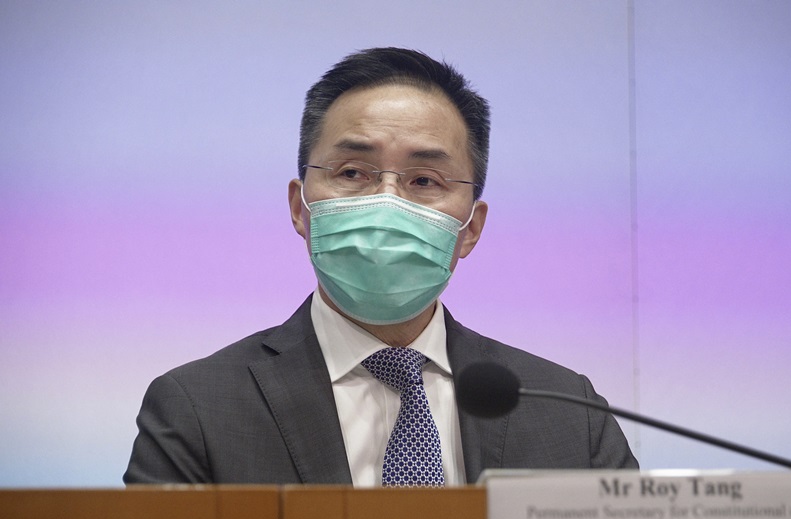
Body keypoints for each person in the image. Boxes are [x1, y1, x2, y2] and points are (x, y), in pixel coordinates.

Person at [124, 47, 637, 486]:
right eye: (353, 172)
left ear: (471, 230)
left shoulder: (570, 413)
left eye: (424, 180)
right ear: (301, 208)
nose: (386, 203)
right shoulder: (197, 408)